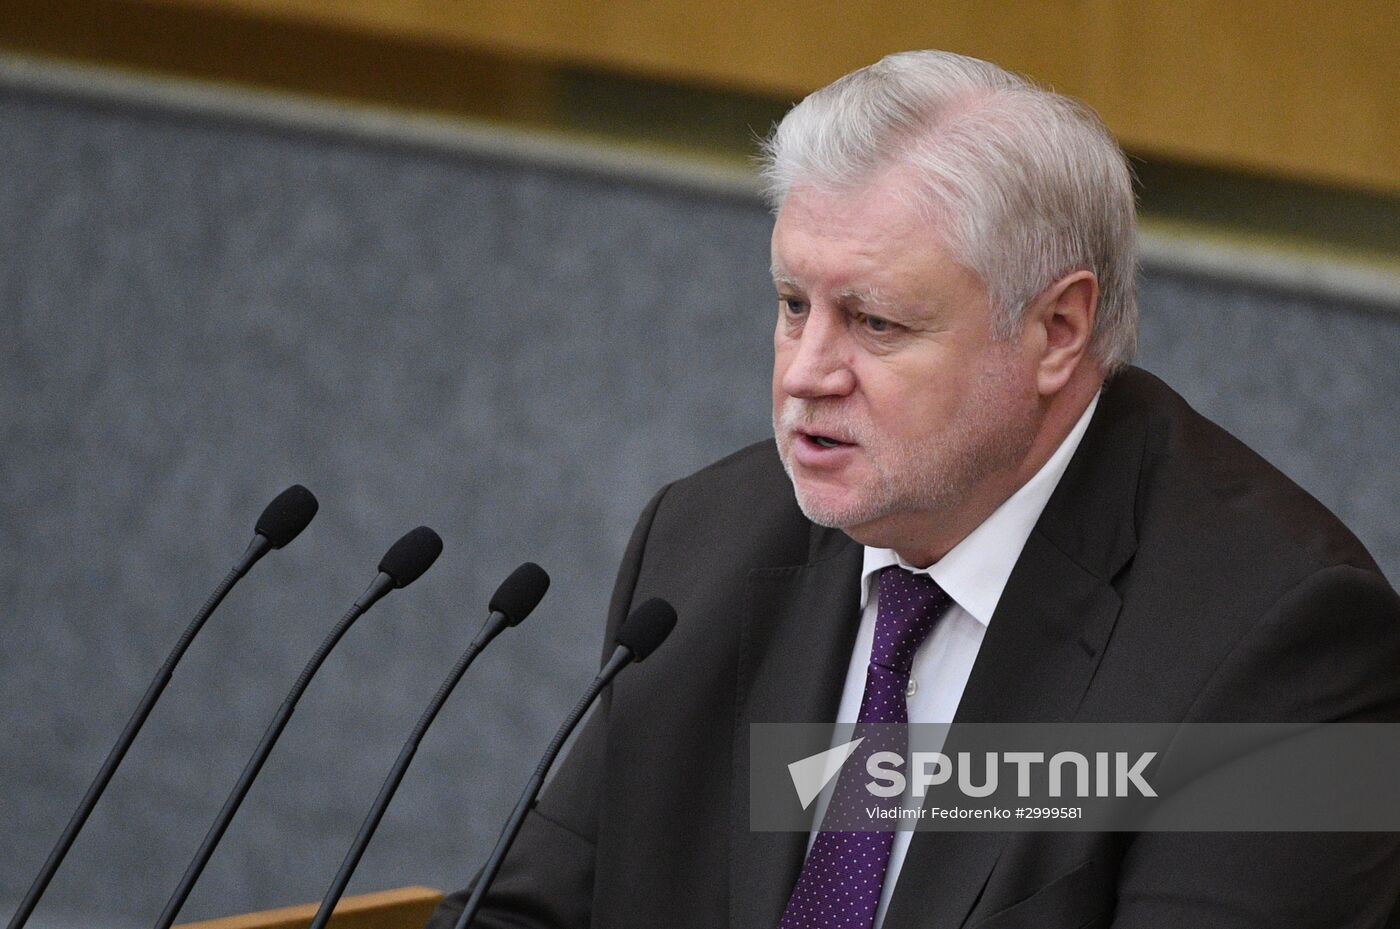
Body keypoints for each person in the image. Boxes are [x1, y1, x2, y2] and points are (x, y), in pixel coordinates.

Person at [427, 50, 1400, 929]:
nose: (805, 370)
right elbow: (528, 913)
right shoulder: (705, 543)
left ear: (1057, 329)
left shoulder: (1277, 645)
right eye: (791, 304)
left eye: (876, 322)